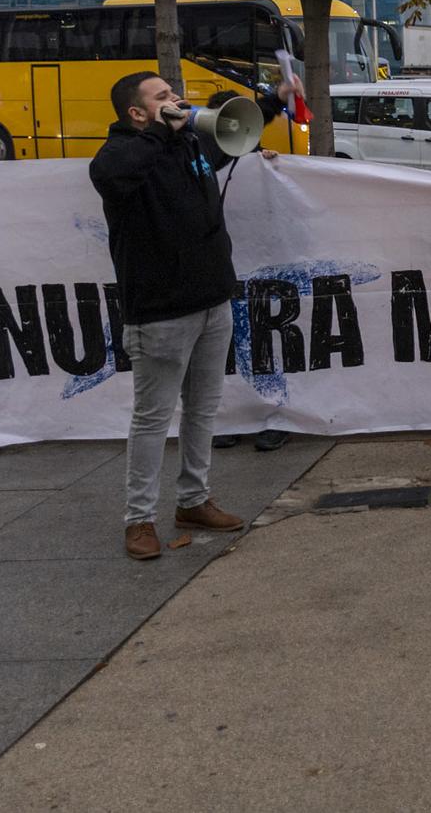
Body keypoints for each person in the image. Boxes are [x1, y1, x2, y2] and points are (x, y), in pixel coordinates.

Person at [91, 71, 275, 561]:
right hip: (160, 311)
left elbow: (232, 141)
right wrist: (161, 131)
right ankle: (140, 519)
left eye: (175, 94)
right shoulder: (118, 156)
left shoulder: (188, 146)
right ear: (136, 113)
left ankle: (194, 499)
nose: (177, 100)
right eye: (163, 97)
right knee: (152, 418)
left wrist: (275, 103)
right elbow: (116, 176)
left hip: (213, 301)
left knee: (202, 409)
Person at [206, 88, 294, 456]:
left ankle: (274, 418)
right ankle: (228, 419)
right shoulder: (192, 158)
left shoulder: (255, 160)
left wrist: (267, 169)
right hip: (217, 272)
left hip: (259, 272)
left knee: (265, 346)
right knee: (220, 352)